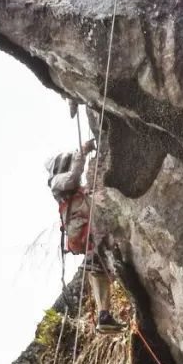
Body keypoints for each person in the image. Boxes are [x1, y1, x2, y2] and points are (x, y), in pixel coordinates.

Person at [45, 137, 124, 334]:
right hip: (81, 230)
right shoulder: (56, 182)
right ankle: (103, 314)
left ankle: (104, 315)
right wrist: (82, 152)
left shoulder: (72, 190)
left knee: (100, 266)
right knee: (96, 261)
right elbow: (72, 178)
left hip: (87, 228)